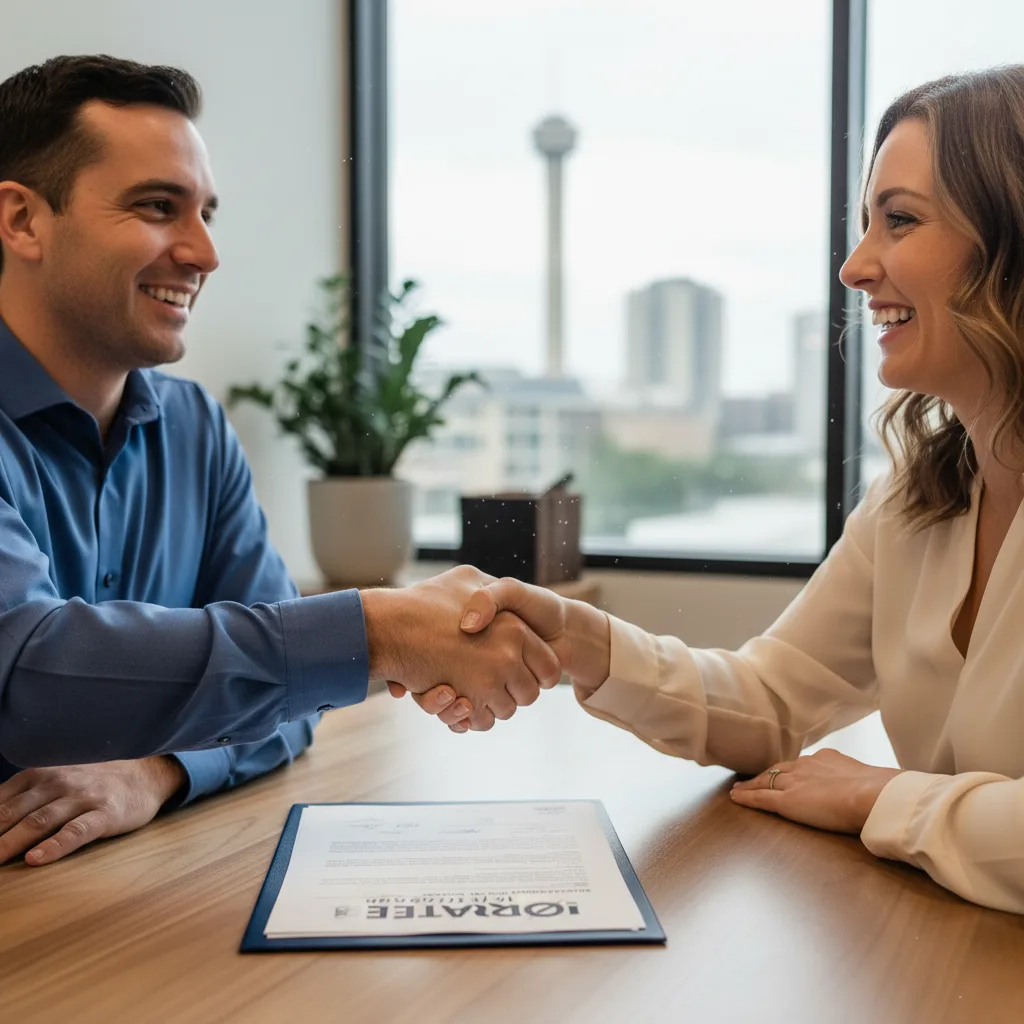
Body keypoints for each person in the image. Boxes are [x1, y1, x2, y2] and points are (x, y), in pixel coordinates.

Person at [401, 66, 1024, 915]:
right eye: (865, 223)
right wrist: (581, 641)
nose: (854, 266)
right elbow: (771, 703)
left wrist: (880, 798)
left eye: (901, 221)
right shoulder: (917, 499)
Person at [0, 55, 555, 867]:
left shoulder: (196, 430)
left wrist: (159, 771)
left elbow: (293, 703)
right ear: (21, 222)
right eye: (158, 207)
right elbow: (28, 677)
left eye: (206, 214)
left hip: (122, 891)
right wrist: (376, 628)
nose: (204, 253)